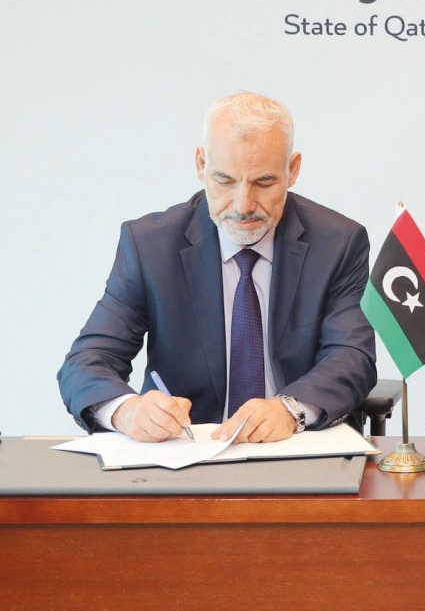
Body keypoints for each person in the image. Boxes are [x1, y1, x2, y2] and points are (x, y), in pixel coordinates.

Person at [58, 92, 377, 442]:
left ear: (293, 170)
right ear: (201, 164)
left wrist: (290, 410)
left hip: (292, 446)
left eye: (264, 182)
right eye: (225, 180)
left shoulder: (338, 243)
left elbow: (352, 357)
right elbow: (86, 362)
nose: (243, 205)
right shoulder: (150, 246)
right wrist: (125, 410)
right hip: (184, 452)